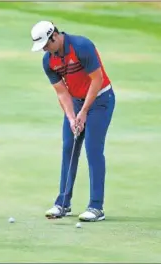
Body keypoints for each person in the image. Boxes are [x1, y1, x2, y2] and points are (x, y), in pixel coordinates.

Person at [30, 21, 115, 222]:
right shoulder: (48, 61)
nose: (44, 49)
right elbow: (61, 92)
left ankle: (96, 207)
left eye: (46, 44)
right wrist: (71, 116)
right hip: (76, 102)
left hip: (100, 99)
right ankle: (63, 203)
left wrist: (84, 111)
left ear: (55, 36)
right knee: (69, 147)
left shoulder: (81, 46)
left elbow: (97, 79)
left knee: (93, 149)